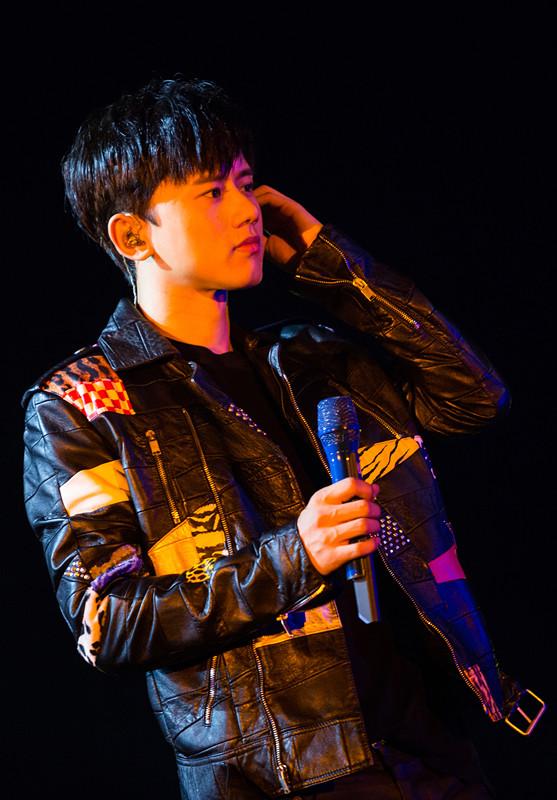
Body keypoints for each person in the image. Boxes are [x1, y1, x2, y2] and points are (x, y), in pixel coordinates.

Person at [22, 76, 544, 799]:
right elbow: (107, 621)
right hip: (287, 778)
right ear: (134, 235)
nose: (246, 209)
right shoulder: (84, 401)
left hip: (435, 752)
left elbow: (474, 397)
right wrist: (295, 556)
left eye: (246, 184)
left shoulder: (309, 356)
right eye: (212, 192)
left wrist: (327, 262)